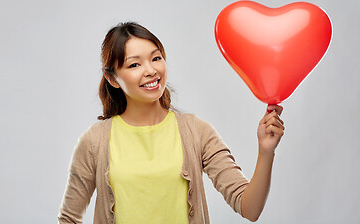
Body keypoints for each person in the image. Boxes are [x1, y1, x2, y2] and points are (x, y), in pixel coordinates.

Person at [58, 22, 285, 224]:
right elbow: (69, 218)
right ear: (112, 79)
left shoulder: (196, 131)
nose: (150, 71)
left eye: (156, 58)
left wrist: (266, 151)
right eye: (134, 65)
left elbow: (249, 208)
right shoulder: (94, 141)